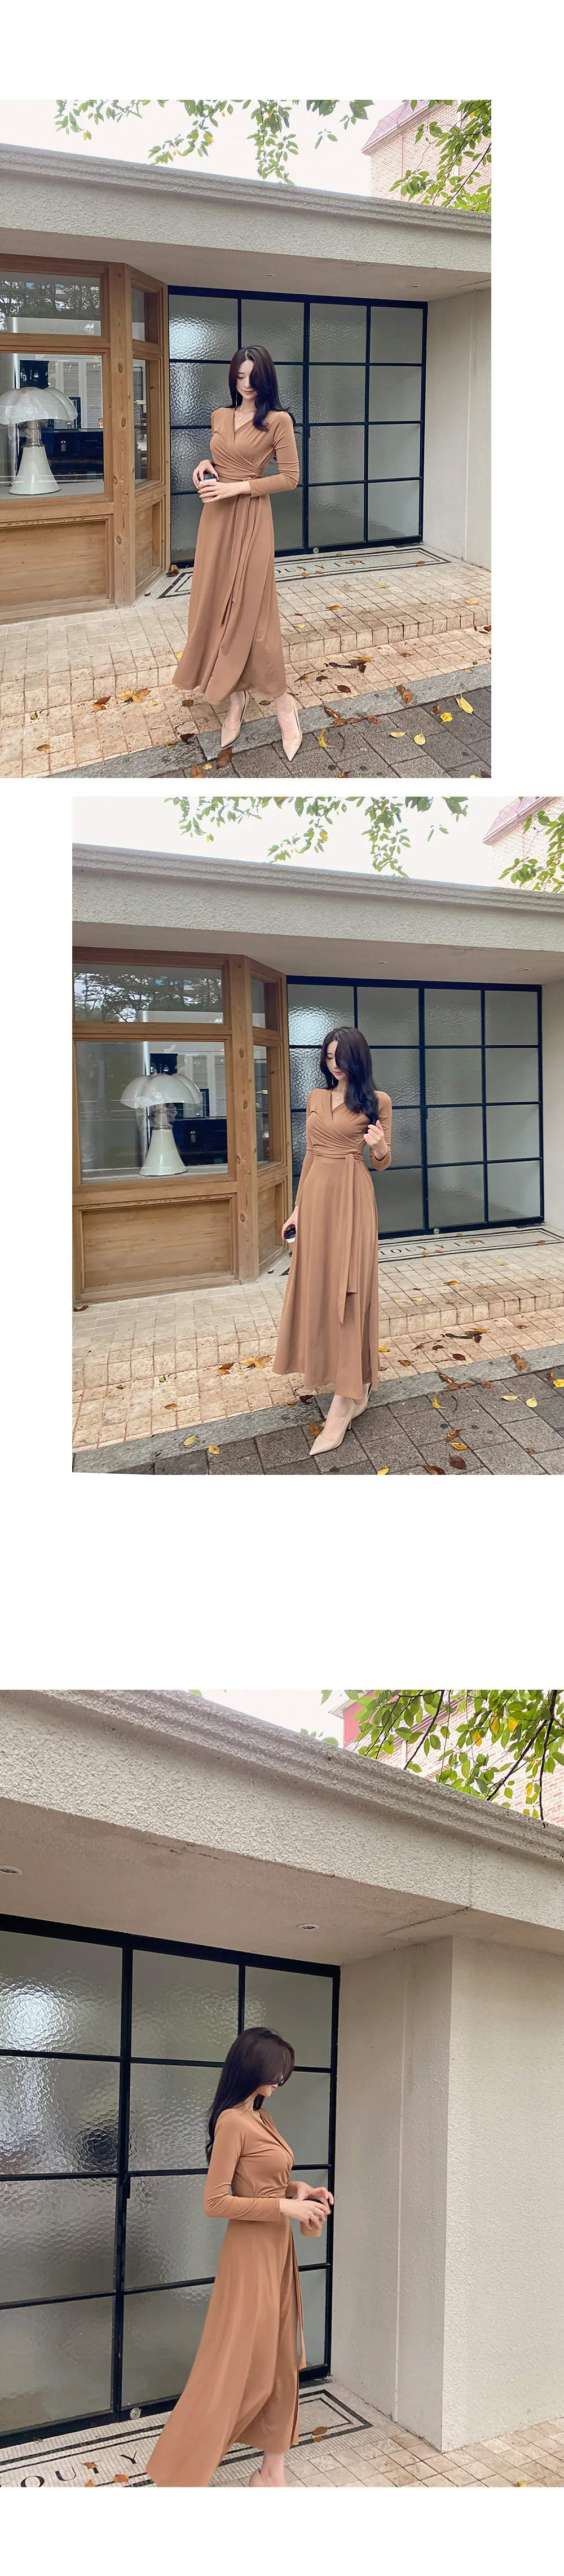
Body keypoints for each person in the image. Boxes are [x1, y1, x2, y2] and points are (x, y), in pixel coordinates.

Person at [146, 2026, 332, 2489]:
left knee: (281, 2358)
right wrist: (284, 2207)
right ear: (253, 2067)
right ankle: (179, 2470)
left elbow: (270, 2182)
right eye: (277, 2071)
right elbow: (216, 2201)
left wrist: (302, 2190)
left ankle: (271, 2472)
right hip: (249, 2255)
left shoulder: (262, 2118)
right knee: (234, 2362)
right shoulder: (232, 2121)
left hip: (278, 2249)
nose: (281, 2080)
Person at [173, 346, 302, 761]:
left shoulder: (278, 421)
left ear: (266, 379)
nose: (246, 384)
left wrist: (237, 487)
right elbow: (224, 455)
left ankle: (283, 703)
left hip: (250, 517)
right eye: (240, 377)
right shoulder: (219, 415)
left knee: (254, 610)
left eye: (253, 377)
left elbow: (290, 478)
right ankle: (236, 698)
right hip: (216, 519)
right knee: (215, 604)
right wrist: (205, 463)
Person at [273, 1026, 393, 1456]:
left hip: (352, 1199)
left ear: (357, 1059)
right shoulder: (315, 1097)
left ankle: (344, 1403)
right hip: (316, 1200)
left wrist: (380, 1146)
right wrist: (298, 1208)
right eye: (328, 1057)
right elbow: (309, 1155)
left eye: (341, 1057)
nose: (334, 1064)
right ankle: (351, 1385)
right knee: (321, 1289)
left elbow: (382, 1163)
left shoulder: (377, 1102)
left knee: (350, 1292)